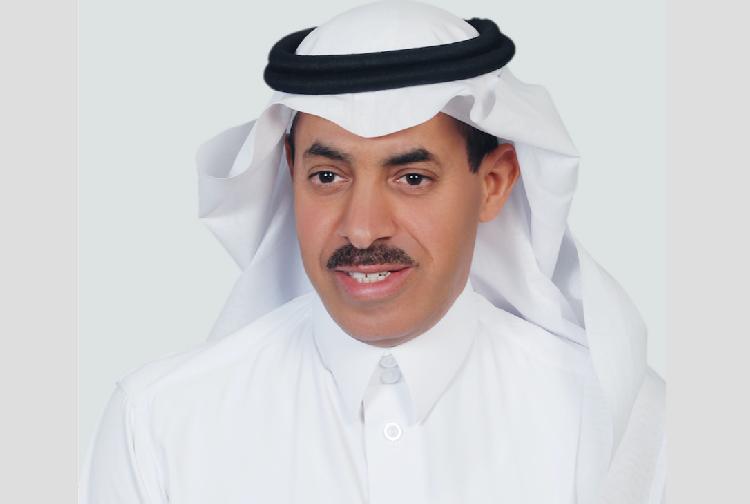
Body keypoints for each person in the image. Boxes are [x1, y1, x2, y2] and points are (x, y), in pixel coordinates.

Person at [80, 2, 665, 503]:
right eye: (328, 176)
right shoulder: (157, 422)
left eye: (411, 179)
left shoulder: (613, 420)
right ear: (289, 174)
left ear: (493, 183)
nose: (361, 231)